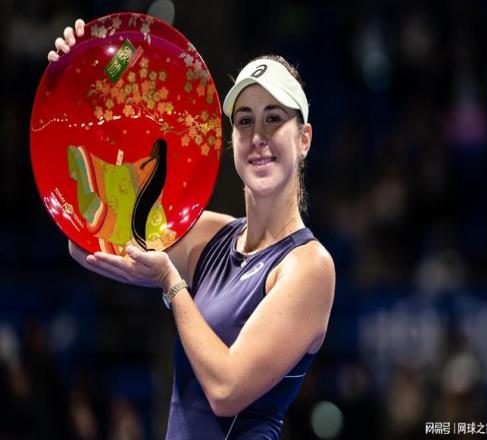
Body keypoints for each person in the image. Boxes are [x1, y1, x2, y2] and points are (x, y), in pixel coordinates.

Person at [49, 19, 335, 439]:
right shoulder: (211, 237)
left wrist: (172, 284)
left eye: (273, 119)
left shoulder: (309, 266)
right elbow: (87, 243)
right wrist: (79, 77)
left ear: (304, 138)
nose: (258, 136)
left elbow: (226, 389)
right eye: (244, 121)